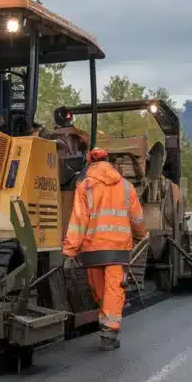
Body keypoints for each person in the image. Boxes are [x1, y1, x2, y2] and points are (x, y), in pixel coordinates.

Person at [62, 147, 147, 351]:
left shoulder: (85, 186)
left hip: (93, 248)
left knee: (98, 290)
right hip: (118, 247)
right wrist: (140, 235)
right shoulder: (126, 187)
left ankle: (107, 326)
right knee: (114, 290)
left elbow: (78, 221)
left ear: (90, 163)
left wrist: (70, 250)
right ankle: (109, 333)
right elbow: (137, 218)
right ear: (110, 162)